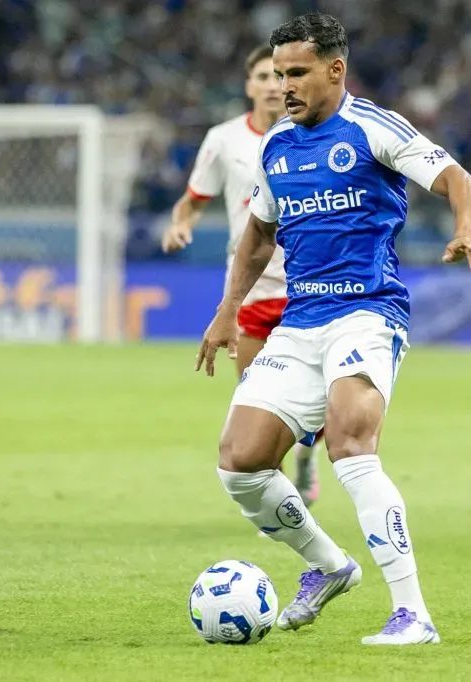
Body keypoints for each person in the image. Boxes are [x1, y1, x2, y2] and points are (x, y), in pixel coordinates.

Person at [196, 13, 471, 645]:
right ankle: (329, 566)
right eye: (277, 75)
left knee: (351, 448)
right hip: (299, 319)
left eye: (297, 73)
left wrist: (466, 226)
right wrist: (228, 309)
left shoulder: (371, 127)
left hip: (366, 312)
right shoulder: (277, 145)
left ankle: (413, 613)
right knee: (239, 462)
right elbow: (259, 232)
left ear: (336, 69)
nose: (283, 87)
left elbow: (457, 180)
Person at [163, 45, 321, 505]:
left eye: (279, 76)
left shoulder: (314, 134)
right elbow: (193, 200)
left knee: (320, 400)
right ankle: (283, 504)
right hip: (250, 289)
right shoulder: (224, 139)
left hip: (308, 287)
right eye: (263, 77)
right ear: (249, 86)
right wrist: (180, 225)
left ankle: (308, 456)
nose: (273, 85)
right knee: (261, 400)